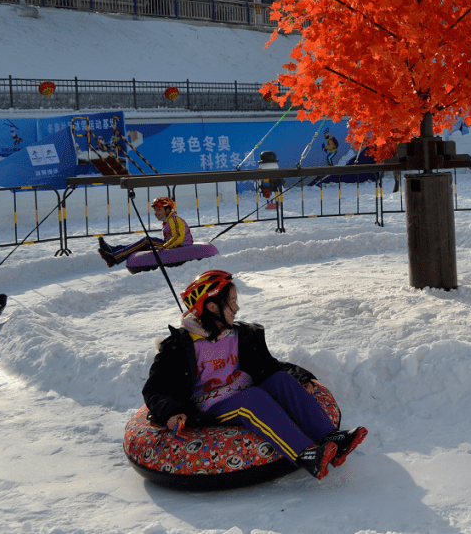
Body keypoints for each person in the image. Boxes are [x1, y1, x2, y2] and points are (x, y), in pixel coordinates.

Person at [142, 270, 367, 481]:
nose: (237, 308)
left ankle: (329, 437)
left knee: (280, 380)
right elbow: (154, 388)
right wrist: (171, 412)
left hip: (244, 391)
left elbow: (268, 366)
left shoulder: (239, 335)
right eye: (231, 303)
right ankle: (305, 454)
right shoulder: (179, 347)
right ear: (211, 307)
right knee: (252, 400)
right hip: (211, 405)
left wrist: (299, 377)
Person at [98, 196, 194, 268]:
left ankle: (114, 258)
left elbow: (178, 237)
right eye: (155, 210)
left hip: (180, 246)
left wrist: (164, 247)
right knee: (144, 244)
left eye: (159, 209)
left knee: (147, 241)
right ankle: (114, 250)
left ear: (168, 209)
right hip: (173, 244)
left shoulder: (174, 219)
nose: (156, 212)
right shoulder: (168, 221)